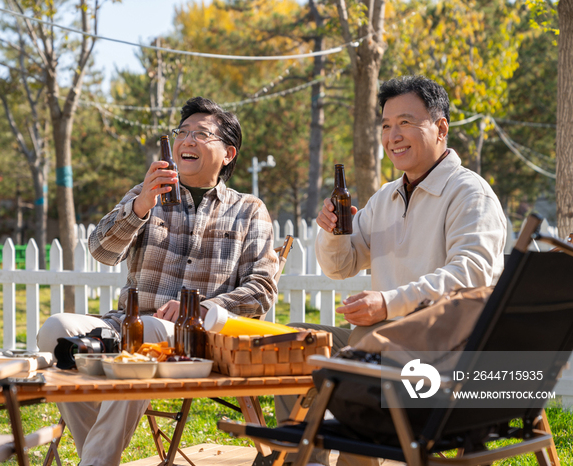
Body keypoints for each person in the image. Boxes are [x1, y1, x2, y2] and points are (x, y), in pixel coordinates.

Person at [276, 75, 507, 466]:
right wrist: (333, 232)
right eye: (385, 126)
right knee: (291, 345)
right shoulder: (386, 196)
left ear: (441, 128)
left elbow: (473, 274)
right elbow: (340, 266)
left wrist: (387, 303)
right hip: (378, 340)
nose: (392, 136)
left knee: (359, 363)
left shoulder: (470, 193)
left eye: (405, 122)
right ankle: (308, 462)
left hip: (442, 353)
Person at [37, 96, 279, 466]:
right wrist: (139, 208)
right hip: (125, 330)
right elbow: (102, 251)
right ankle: (97, 459)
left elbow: (262, 287)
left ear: (228, 154)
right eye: (182, 132)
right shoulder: (147, 193)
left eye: (201, 134)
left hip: (195, 341)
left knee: (150, 328)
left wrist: (200, 307)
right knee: (57, 328)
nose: (187, 140)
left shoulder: (248, 210)